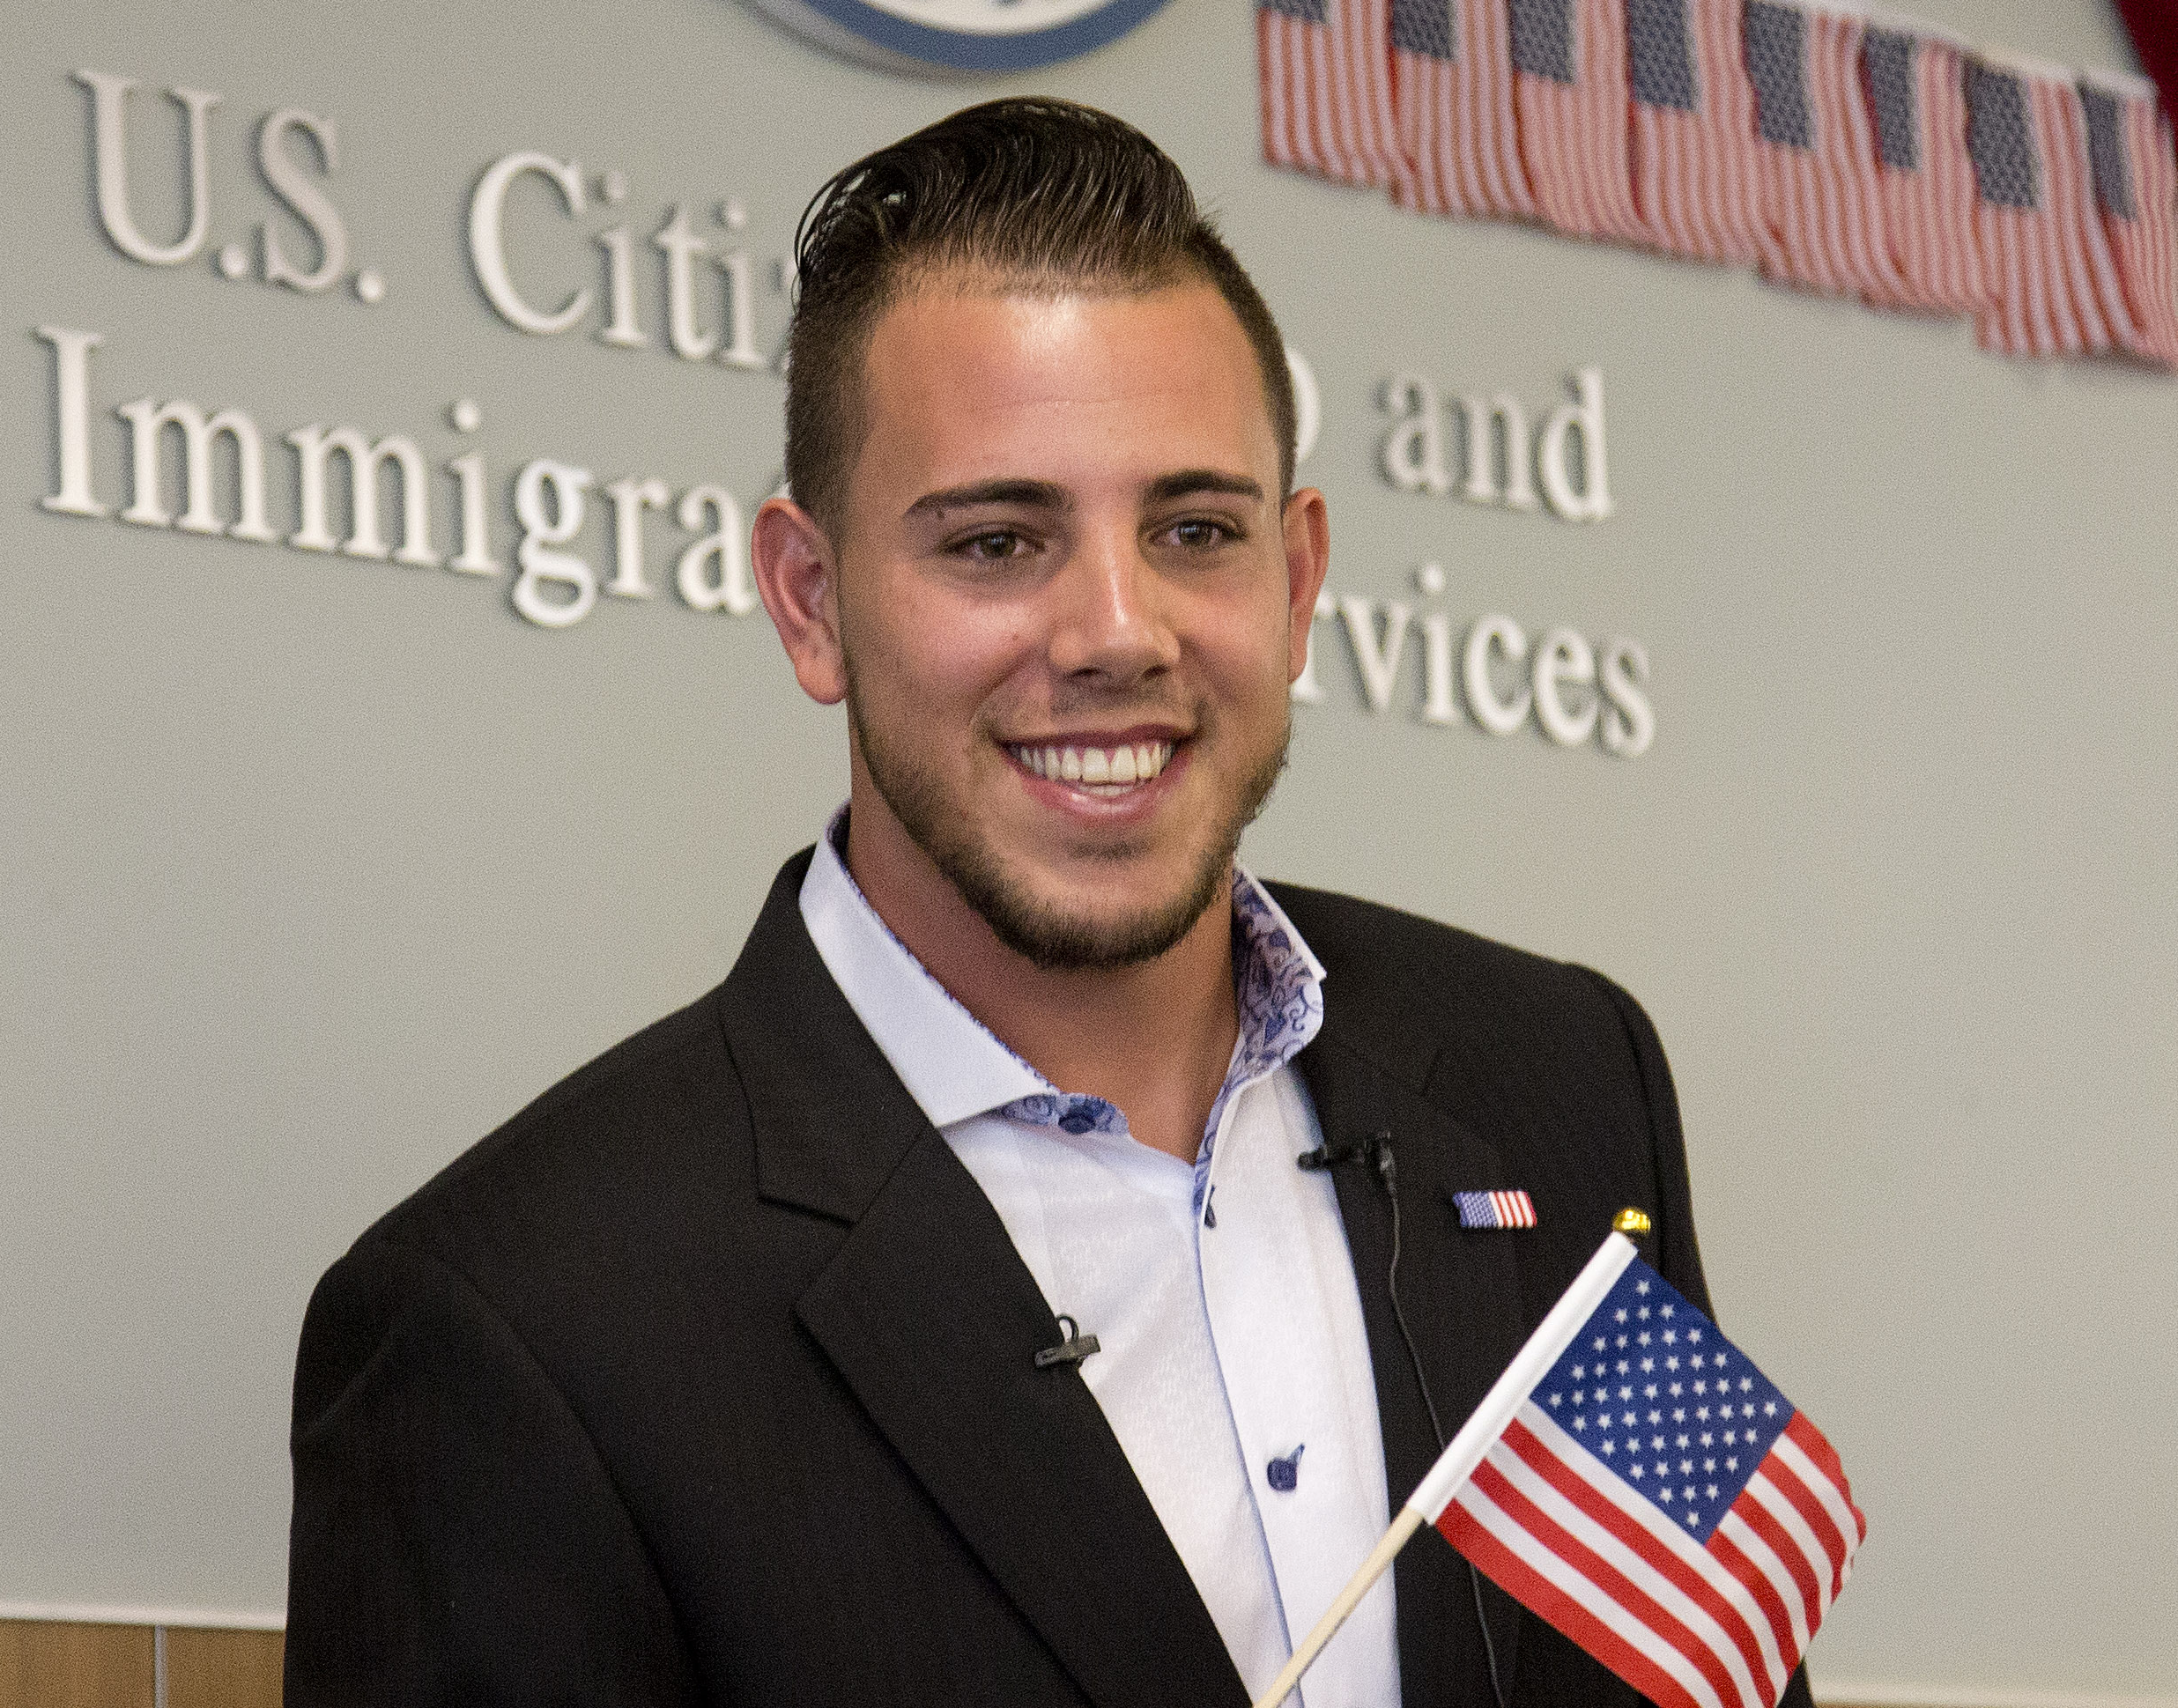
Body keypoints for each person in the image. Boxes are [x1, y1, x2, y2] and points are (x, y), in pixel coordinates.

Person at [285, 98, 1805, 1708]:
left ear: (1294, 584)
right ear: (810, 605)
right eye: (998, 540)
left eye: (1194, 531)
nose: (1115, 631)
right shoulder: (518, 1325)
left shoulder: (1553, 1079)